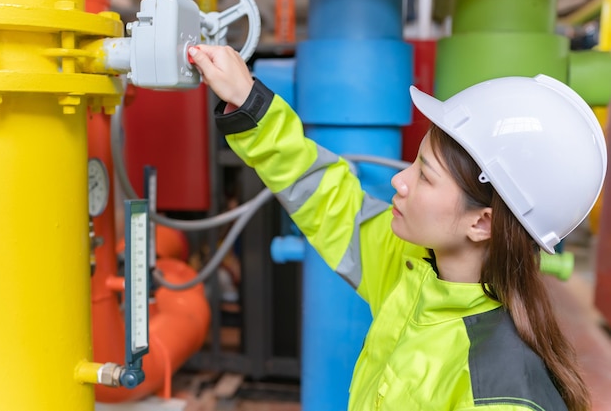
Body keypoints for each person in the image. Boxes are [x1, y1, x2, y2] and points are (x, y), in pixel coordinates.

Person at [188, 44, 607, 411]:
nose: (399, 181)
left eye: (425, 176)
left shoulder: (500, 392)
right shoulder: (415, 271)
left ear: (482, 223)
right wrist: (249, 104)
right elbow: (331, 202)